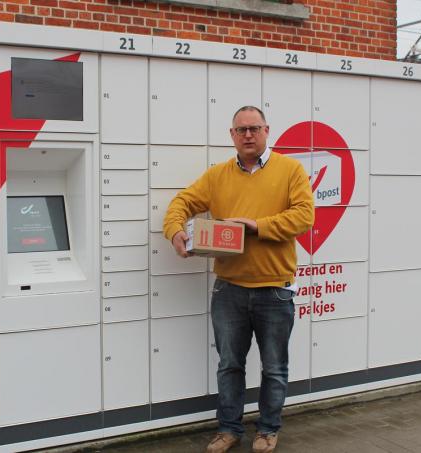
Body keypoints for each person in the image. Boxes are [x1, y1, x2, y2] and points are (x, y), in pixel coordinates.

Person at [163, 106, 314, 453]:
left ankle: (267, 430)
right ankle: (229, 429)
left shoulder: (290, 169)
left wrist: (256, 226)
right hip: (229, 289)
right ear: (232, 135)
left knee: (274, 368)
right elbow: (182, 203)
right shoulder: (217, 176)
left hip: (275, 289)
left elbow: (304, 216)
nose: (248, 135)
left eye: (254, 128)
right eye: (241, 129)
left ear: (266, 131)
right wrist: (175, 233)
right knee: (230, 365)